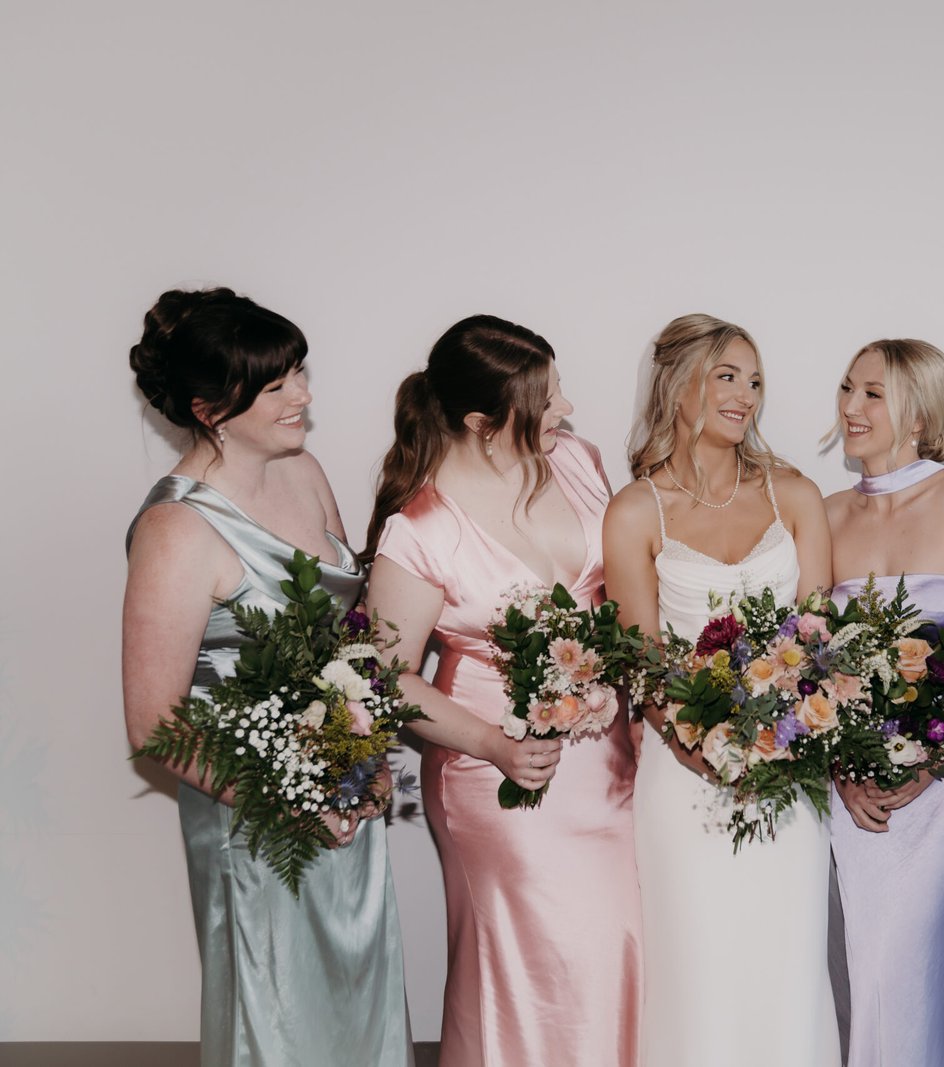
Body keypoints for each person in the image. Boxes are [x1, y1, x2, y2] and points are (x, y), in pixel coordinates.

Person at [122, 287, 412, 1067]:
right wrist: (292, 796)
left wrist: (365, 754)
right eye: (278, 385)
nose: (305, 396)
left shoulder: (306, 469)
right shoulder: (176, 529)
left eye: (299, 375)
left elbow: (349, 637)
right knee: (276, 1025)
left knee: (357, 1004)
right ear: (210, 408)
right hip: (251, 819)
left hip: (343, 793)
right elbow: (154, 725)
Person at [363, 315, 642, 1067]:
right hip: (495, 774)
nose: (568, 410)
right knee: (534, 958)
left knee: (618, 942)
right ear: (485, 422)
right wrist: (496, 745)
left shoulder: (579, 463)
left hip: (610, 764)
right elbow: (386, 677)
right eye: (546, 400)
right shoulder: (421, 527)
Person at [602, 313, 838, 1067]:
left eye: (755, 380)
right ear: (679, 386)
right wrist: (705, 747)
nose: (745, 395)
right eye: (727, 375)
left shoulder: (794, 494)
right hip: (686, 778)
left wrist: (778, 734)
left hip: (789, 768)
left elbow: (819, 636)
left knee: (787, 956)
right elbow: (642, 663)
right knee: (697, 963)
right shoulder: (636, 509)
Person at [822, 339, 944, 1067]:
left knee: (920, 974)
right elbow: (810, 654)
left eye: (872, 392)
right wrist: (844, 765)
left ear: (920, 411)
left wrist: (932, 757)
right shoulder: (828, 512)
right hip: (850, 786)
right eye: (847, 388)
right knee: (859, 975)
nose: (850, 406)